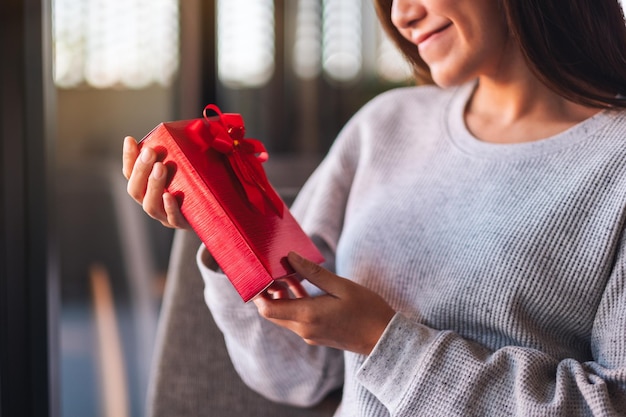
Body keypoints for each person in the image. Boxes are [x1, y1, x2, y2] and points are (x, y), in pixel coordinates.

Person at [123, 0, 626, 415]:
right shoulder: (383, 127)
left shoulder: (614, 163)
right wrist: (222, 231)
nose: (401, 14)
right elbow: (297, 374)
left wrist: (384, 341)